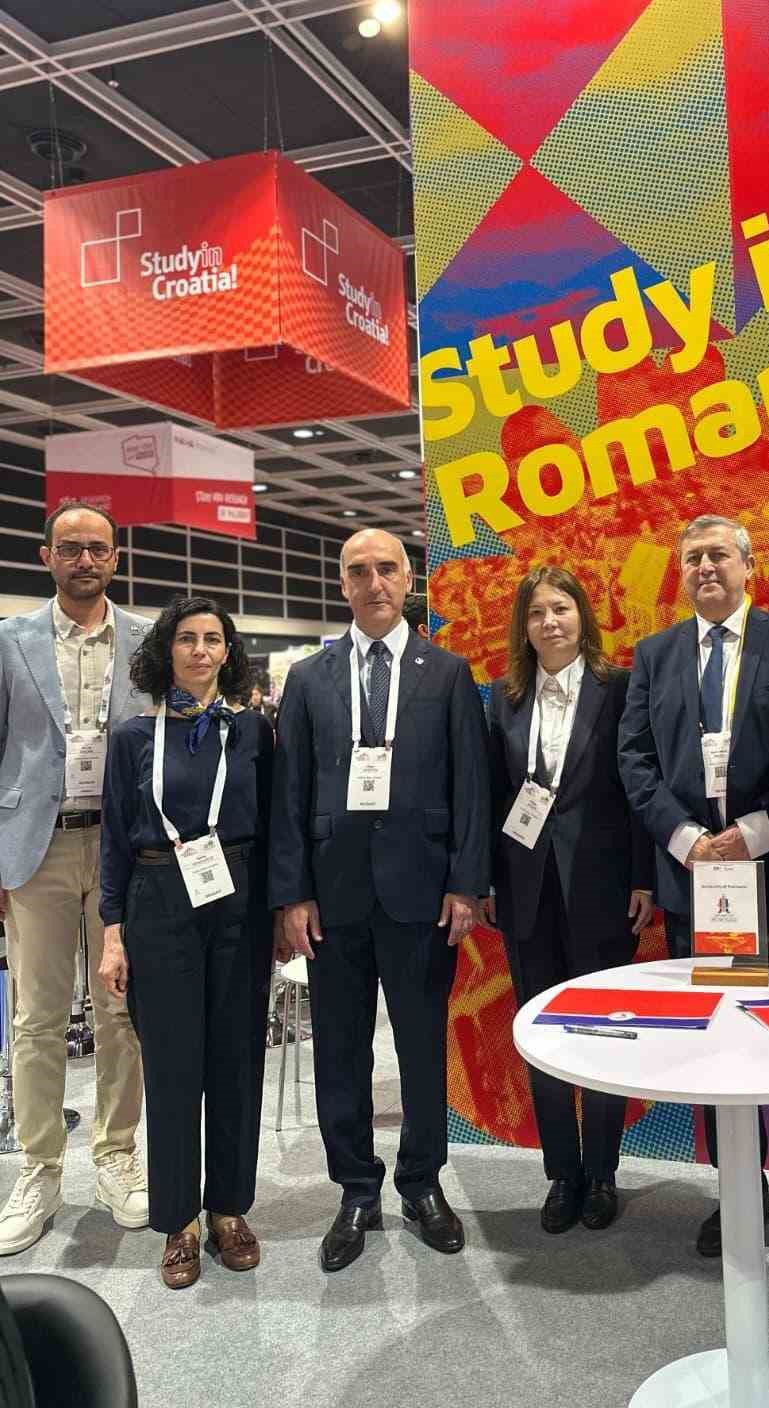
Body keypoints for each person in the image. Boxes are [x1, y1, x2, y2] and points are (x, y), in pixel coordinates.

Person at [618, 514, 769, 1282]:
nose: (705, 567)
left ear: (750, 564)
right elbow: (635, 759)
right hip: (697, 887)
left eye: (719, 554)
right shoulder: (655, 656)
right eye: (693, 558)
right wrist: (685, 839)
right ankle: (738, 1193)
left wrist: (755, 832)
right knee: (717, 1043)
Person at [270, 528, 490, 1272]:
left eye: (387, 569)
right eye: (358, 571)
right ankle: (356, 1190)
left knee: (422, 1047)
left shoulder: (447, 672)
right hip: (332, 898)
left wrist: (466, 882)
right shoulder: (309, 678)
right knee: (339, 1050)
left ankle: (422, 1182)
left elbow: (471, 785)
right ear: (342, 585)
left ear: (408, 579)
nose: (374, 583)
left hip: (422, 891)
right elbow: (289, 793)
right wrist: (292, 893)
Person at [96, 597, 276, 1289]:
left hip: (237, 898)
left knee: (236, 1060)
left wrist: (279, 912)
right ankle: (180, 1221)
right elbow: (116, 839)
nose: (201, 651)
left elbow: (274, 824)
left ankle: (229, 1209)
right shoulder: (133, 738)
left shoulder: (251, 731)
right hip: (158, 898)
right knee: (172, 1068)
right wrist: (113, 932)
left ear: (228, 653)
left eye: (213, 640)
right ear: (165, 650)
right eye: (187, 639)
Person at [483, 566, 654, 1233]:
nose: (549, 622)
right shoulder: (503, 698)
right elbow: (492, 794)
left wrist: (643, 876)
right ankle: (563, 1173)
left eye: (561, 608)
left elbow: (638, 787)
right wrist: (488, 880)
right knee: (543, 1032)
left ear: (583, 616)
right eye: (536, 613)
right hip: (525, 889)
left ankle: (603, 1171)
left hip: (604, 886)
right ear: (523, 627)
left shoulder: (619, 688)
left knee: (604, 1030)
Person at [0, 503, 149, 1255]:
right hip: (37, 849)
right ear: (46, 556)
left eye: (97, 549)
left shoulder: (148, 641)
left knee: (122, 1010)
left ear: (115, 558)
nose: (85, 560)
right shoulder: (9, 641)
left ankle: (117, 1155)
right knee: (37, 1019)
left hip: (123, 850)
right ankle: (40, 1168)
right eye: (70, 548)